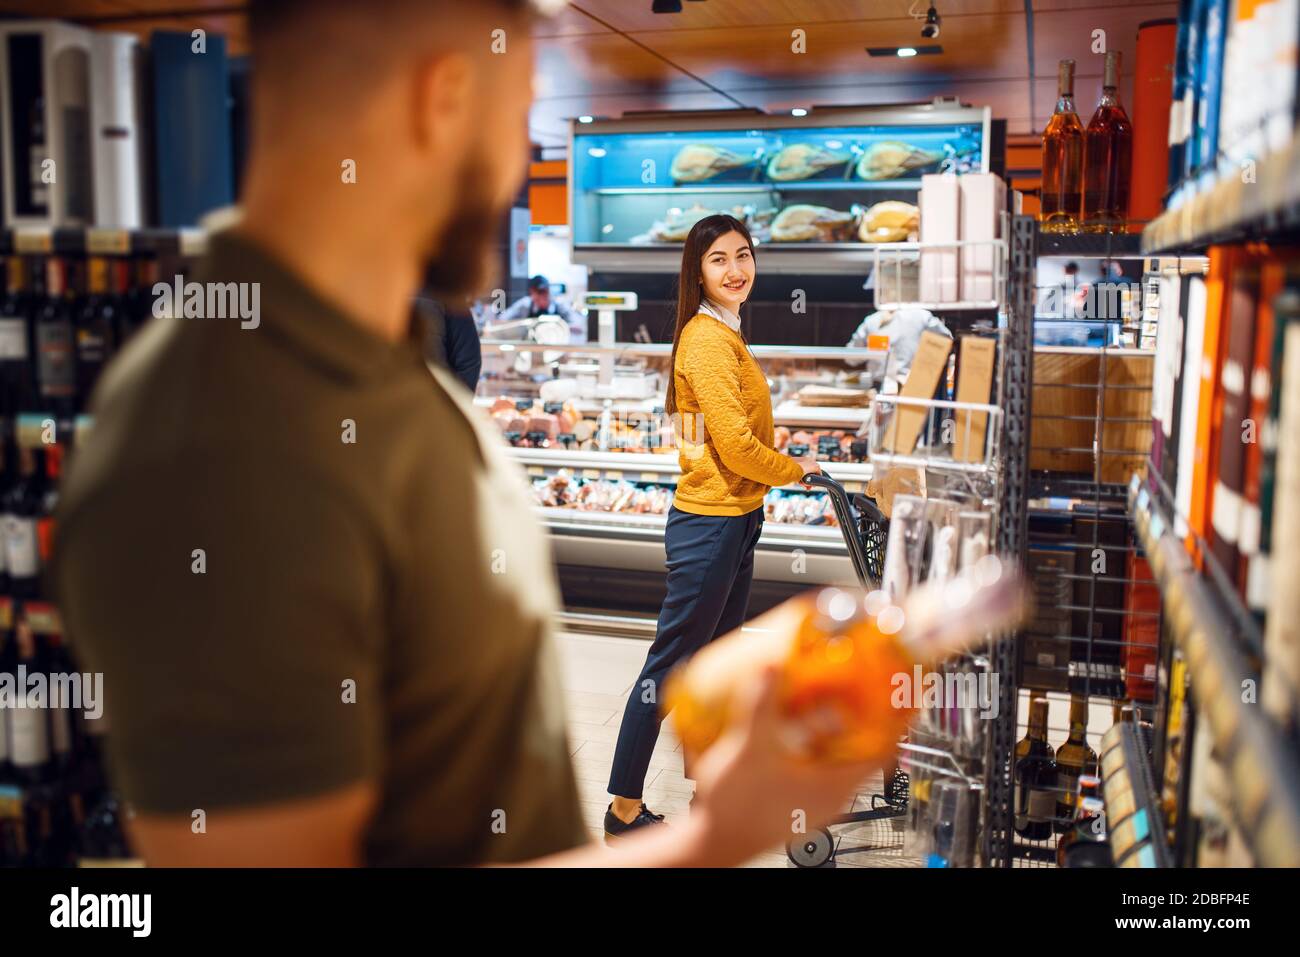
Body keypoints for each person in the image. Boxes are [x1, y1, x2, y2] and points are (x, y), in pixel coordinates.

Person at [52, 0, 872, 868]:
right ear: (441, 96)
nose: (520, 159)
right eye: (516, 112)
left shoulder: (397, 382)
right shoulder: (225, 438)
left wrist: (725, 828)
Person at [605, 214, 822, 837]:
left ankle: (712, 786)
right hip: (710, 524)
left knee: (716, 664)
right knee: (667, 668)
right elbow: (735, 446)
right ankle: (623, 809)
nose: (736, 270)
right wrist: (794, 469)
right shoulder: (707, 339)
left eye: (744, 255)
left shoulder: (727, 332)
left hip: (735, 518)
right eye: (719, 260)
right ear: (697, 273)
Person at [496, 274, 587, 341]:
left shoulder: (560, 305)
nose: (542, 296)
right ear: (532, 292)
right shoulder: (525, 305)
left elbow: (579, 328)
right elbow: (502, 321)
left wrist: (558, 327)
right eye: (538, 292)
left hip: (556, 351)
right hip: (529, 351)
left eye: (545, 291)